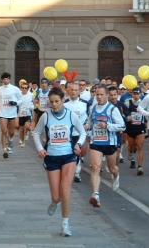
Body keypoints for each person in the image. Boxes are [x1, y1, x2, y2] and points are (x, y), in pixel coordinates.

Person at [33, 87, 86, 237]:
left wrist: (78, 144)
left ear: (63, 100)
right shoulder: (45, 116)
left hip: (69, 156)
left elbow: (82, 132)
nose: (54, 104)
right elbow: (36, 133)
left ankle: (65, 224)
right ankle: (55, 202)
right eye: (52, 102)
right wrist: (39, 149)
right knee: (56, 196)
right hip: (52, 157)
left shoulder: (71, 115)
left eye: (57, 101)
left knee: (65, 189)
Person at [85, 84, 126, 207]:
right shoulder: (93, 108)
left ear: (107, 95)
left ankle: (116, 175)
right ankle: (96, 194)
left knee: (111, 168)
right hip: (96, 141)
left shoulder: (112, 109)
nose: (99, 97)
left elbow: (122, 126)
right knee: (96, 167)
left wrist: (107, 126)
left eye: (101, 94)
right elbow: (90, 121)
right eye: (97, 94)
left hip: (110, 143)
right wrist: (87, 126)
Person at [0, 72, 23, 158]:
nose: (6, 80)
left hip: (12, 113)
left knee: (11, 132)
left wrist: (15, 103)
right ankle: (4, 149)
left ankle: (11, 140)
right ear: (2, 80)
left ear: (9, 79)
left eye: (7, 79)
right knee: (4, 131)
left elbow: (21, 99)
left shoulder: (15, 89)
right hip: (3, 112)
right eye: (4, 79)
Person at [64, 82, 89, 183]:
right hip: (69, 133)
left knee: (81, 152)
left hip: (81, 133)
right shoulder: (64, 104)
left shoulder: (85, 103)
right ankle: (76, 173)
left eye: (75, 90)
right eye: (71, 90)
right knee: (72, 152)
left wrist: (87, 124)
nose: (73, 92)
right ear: (68, 91)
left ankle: (76, 168)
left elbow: (90, 116)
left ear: (79, 91)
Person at [123, 87, 146, 175]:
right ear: (132, 94)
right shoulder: (127, 103)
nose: (136, 96)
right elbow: (124, 114)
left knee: (140, 146)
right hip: (130, 128)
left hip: (140, 127)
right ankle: (131, 154)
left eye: (138, 94)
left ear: (140, 94)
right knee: (132, 147)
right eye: (134, 94)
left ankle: (140, 166)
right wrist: (128, 117)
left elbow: (147, 114)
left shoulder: (143, 103)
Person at [18, 82, 34, 147]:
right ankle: (22, 141)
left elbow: (33, 102)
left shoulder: (31, 95)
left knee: (27, 127)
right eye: (23, 88)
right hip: (21, 114)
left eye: (26, 88)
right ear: (21, 88)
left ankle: (26, 133)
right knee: (21, 130)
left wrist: (32, 106)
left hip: (28, 114)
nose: (24, 89)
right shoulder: (18, 95)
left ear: (28, 89)